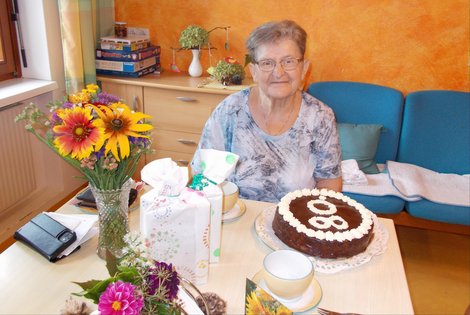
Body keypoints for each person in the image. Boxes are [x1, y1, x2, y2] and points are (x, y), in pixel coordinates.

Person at [191, 20, 342, 203]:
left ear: (304, 68)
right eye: (267, 63)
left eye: (288, 61)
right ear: (253, 71)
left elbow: (329, 183)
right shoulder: (229, 111)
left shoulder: (320, 117)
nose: (279, 72)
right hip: (235, 220)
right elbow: (201, 175)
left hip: (295, 223)